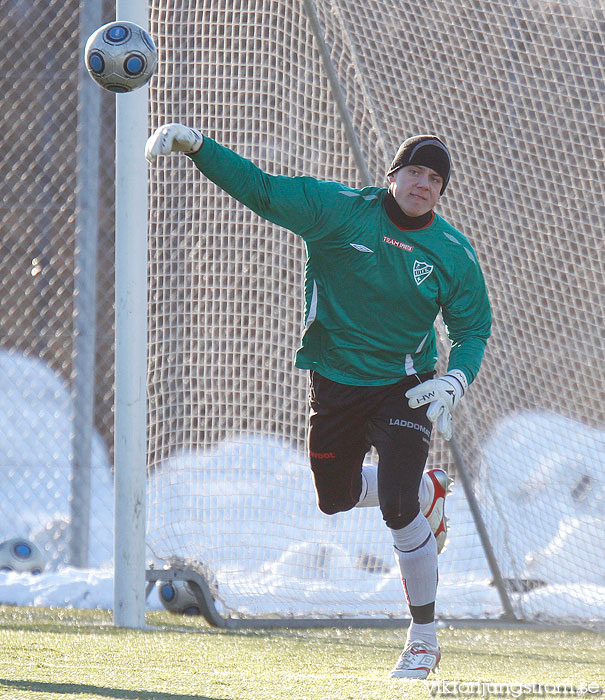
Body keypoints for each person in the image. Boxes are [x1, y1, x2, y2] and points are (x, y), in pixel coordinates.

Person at [145, 125, 492, 679]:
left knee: (400, 510)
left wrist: (456, 379)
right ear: (391, 176)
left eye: (435, 178)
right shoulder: (337, 209)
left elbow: (473, 327)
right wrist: (198, 146)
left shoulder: (452, 252)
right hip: (335, 381)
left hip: (405, 385)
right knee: (336, 497)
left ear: (442, 191)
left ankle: (422, 639)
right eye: (414, 171)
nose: (423, 183)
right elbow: (260, 189)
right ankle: (427, 488)